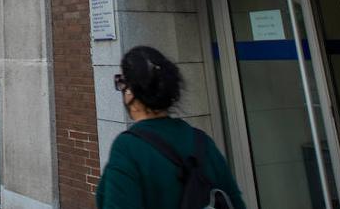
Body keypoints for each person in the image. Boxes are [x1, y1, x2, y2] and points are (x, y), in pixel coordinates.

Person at [96, 46, 244, 209]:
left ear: (130, 92)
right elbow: (235, 201)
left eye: (122, 82)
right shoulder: (202, 141)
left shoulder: (127, 148)